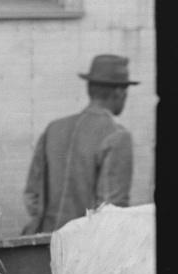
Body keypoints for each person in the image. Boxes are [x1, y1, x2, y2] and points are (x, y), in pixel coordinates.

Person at [22, 54, 138, 235]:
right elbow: (111, 211)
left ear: (89, 88)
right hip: (84, 245)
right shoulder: (117, 136)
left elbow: (32, 197)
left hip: (44, 240)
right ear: (119, 92)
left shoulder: (54, 128)